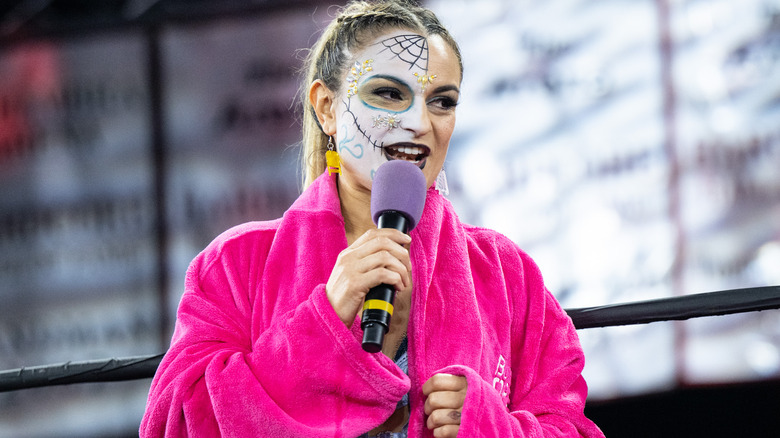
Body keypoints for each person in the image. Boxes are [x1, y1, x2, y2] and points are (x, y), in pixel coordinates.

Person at [140, 0, 604, 436]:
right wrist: (322, 322)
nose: (420, 122)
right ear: (327, 108)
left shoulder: (507, 274)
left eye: (442, 101)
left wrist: (490, 425)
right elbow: (172, 425)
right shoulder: (235, 264)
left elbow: (573, 427)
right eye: (388, 93)